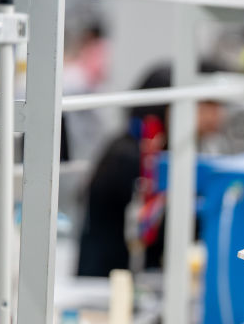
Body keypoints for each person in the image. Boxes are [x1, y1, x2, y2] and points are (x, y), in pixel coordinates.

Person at [76, 63, 224, 277]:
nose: (215, 116)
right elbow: (165, 228)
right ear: (166, 110)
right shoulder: (129, 157)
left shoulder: (159, 153)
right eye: (203, 106)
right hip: (107, 281)